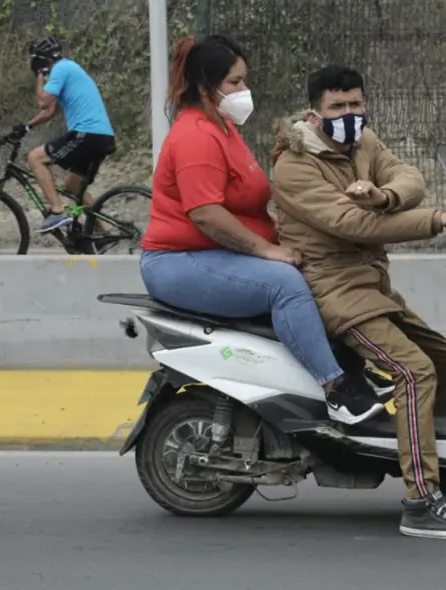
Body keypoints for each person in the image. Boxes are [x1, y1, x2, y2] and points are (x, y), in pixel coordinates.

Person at [270, 64, 446, 541]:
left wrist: (383, 194)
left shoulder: (363, 142)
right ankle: (421, 499)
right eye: (338, 106)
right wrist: (441, 220)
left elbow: (410, 178)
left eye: (355, 104)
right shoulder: (295, 165)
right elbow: (355, 227)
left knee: (442, 356)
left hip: (372, 285)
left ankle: (440, 465)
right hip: (335, 290)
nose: (349, 113)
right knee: (414, 372)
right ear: (315, 113)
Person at [137, 35, 392, 427]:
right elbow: (206, 213)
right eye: (235, 83)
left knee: (319, 268)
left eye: (244, 81)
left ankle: (349, 365)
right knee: (283, 283)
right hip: (179, 262)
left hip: (216, 254)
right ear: (206, 87)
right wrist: (267, 250)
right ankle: (336, 389)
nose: (244, 91)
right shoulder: (195, 137)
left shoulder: (222, 127)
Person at [16, 36, 118, 233]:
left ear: (42, 60)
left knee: (35, 158)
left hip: (87, 133)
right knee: (73, 187)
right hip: (100, 135)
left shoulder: (61, 69)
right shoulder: (67, 69)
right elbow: (51, 111)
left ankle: (57, 211)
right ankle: (100, 234)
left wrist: (39, 74)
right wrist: (27, 126)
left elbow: (43, 102)